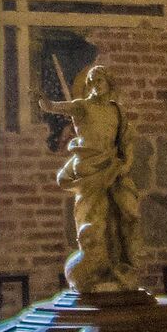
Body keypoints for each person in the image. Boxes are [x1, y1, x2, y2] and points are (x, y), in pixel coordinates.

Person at [49, 63, 142, 295]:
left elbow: (126, 142)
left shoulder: (116, 111)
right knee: (94, 221)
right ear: (89, 84)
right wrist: (45, 103)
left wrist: (125, 165)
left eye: (102, 81)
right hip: (89, 170)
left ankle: (123, 264)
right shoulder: (83, 106)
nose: (97, 85)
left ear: (109, 84)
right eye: (94, 81)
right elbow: (58, 107)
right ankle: (94, 270)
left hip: (114, 169)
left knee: (127, 214)